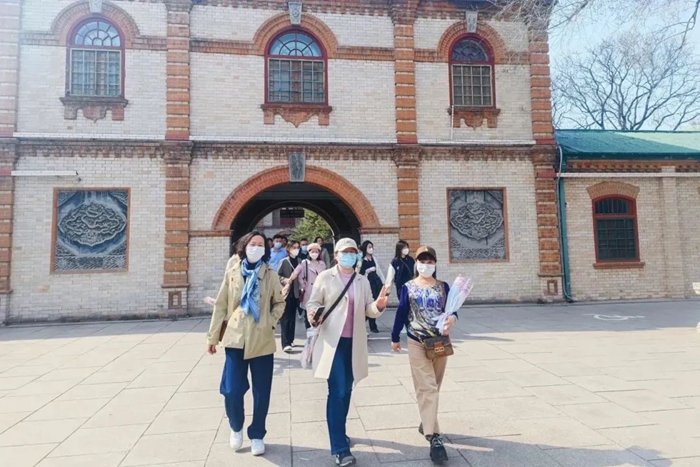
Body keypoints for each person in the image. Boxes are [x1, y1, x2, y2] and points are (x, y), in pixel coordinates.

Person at [306, 238, 389, 467]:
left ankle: (339, 432)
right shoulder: (325, 277)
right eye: (345, 251)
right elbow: (312, 303)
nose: (349, 255)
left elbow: (368, 309)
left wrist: (379, 305)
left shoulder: (361, 280)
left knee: (347, 390)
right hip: (332, 343)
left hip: (354, 343)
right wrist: (313, 314)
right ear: (336, 255)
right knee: (338, 391)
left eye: (353, 252)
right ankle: (340, 449)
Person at [206, 231, 286, 457]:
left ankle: (257, 434)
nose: (256, 247)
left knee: (262, 392)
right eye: (253, 243)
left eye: (261, 245)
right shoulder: (232, 272)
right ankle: (236, 426)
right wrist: (213, 337)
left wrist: (270, 322)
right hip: (235, 338)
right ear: (244, 246)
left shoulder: (269, 274)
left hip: (262, 340)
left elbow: (279, 303)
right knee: (231, 389)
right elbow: (221, 305)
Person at [390, 246, 456, 465]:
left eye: (430, 262)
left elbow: (452, 309)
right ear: (416, 263)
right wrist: (395, 337)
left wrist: (453, 318)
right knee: (427, 387)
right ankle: (434, 437)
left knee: (434, 386)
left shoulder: (443, 287)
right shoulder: (408, 287)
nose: (426, 265)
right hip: (417, 341)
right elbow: (401, 311)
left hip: (439, 342)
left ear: (435, 264)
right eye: (422, 261)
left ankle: (426, 420)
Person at [285, 242, 326, 329]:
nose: (314, 253)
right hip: (308, 291)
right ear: (309, 252)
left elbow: (325, 277)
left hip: (320, 291)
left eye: (316, 251)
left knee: (319, 313)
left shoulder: (322, 264)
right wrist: (301, 286)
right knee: (309, 314)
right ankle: (309, 332)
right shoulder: (304, 263)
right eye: (312, 251)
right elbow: (297, 274)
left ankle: (317, 332)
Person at [277, 240, 302, 352]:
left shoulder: (300, 261)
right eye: (294, 247)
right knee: (285, 318)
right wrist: (286, 280)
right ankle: (285, 343)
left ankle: (291, 339)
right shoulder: (284, 261)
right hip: (287, 293)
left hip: (296, 293)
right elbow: (278, 276)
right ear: (288, 249)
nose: (296, 249)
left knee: (292, 318)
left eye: (297, 247)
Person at [359, 240, 385, 334]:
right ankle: (366, 323)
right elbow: (360, 273)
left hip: (376, 283)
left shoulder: (374, 258)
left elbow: (379, 271)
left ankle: (373, 325)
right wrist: (367, 271)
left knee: (374, 303)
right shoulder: (361, 260)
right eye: (369, 247)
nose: (371, 249)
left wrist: (384, 283)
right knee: (367, 304)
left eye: (372, 247)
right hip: (367, 283)